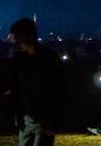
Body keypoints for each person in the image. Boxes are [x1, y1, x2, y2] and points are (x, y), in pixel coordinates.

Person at [8, 18, 68, 146]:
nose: (16, 40)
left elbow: (61, 89)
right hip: (27, 119)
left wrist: (54, 120)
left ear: (29, 35)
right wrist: (18, 116)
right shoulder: (18, 60)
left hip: (44, 119)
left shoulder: (49, 58)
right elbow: (17, 89)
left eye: (18, 36)